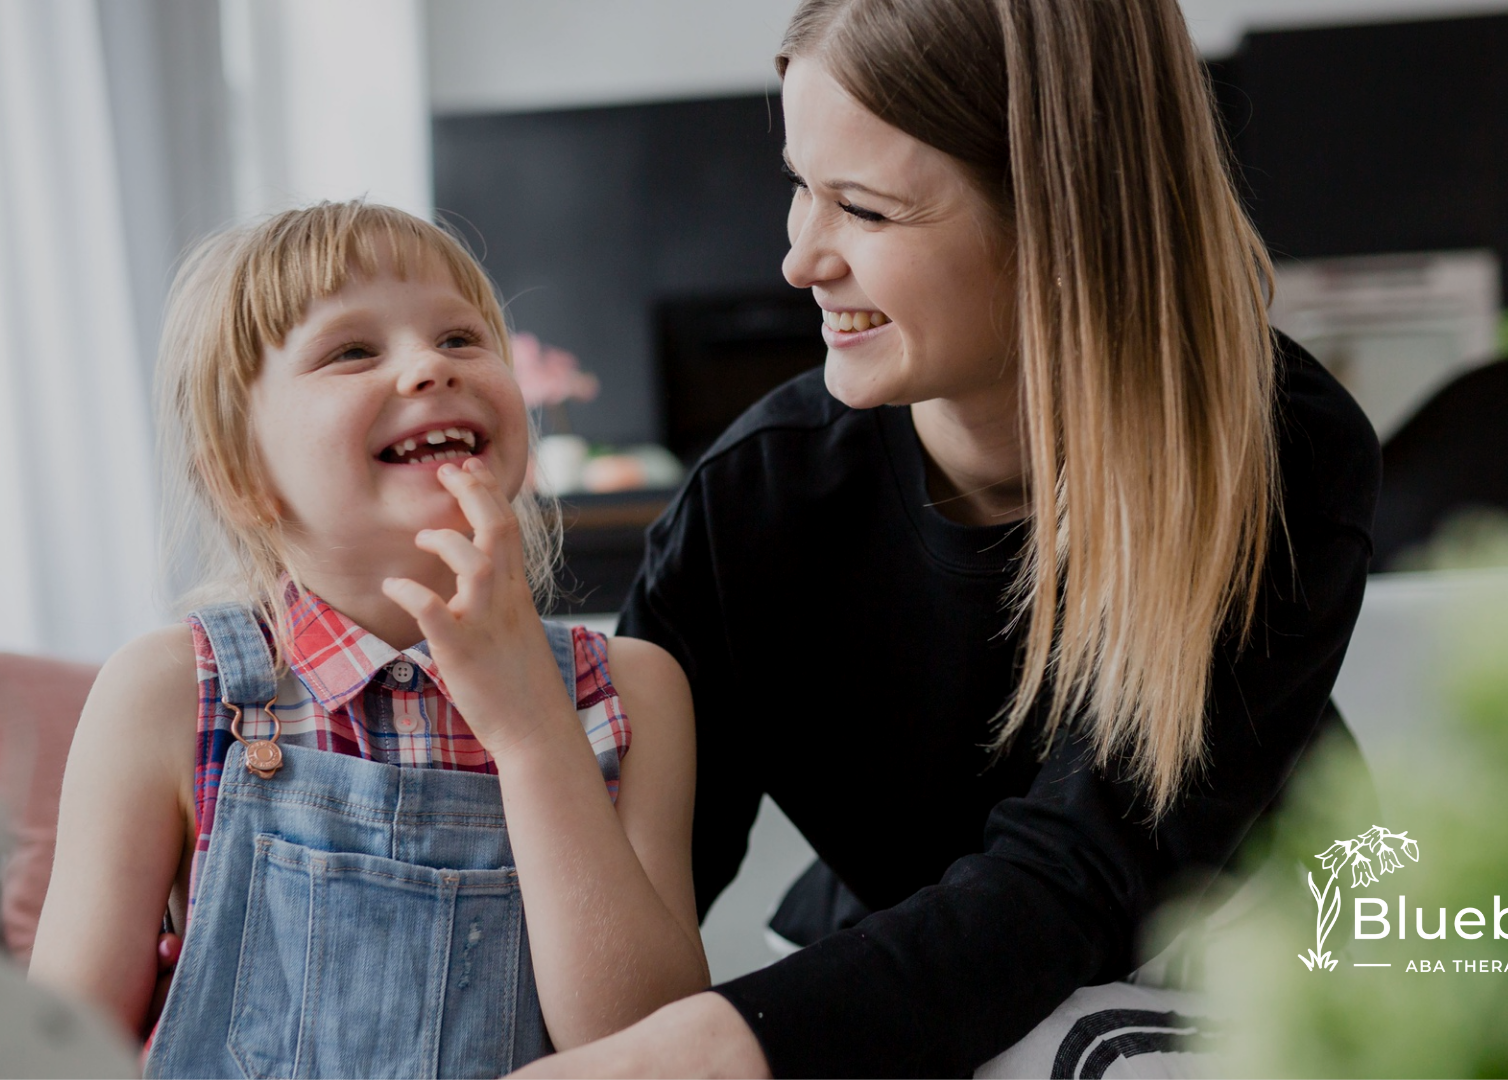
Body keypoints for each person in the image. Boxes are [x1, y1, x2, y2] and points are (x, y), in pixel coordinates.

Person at [515, 0, 1379, 1076]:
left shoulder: (1277, 452)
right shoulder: (753, 507)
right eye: (800, 185)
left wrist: (711, 1053)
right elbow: (623, 924)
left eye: (864, 209)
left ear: (1062, 222)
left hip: (1263, 980)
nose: (798, 259)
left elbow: (1074, 882)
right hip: (908, 975)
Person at [28, 202, 707, 1078]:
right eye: (352, 351)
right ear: (241, 473)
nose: (431, 365)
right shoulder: (170, 695)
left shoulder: (632, 690)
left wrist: (533, 731)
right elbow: (53, 1055)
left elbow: (649, 1045)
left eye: (461, 338)